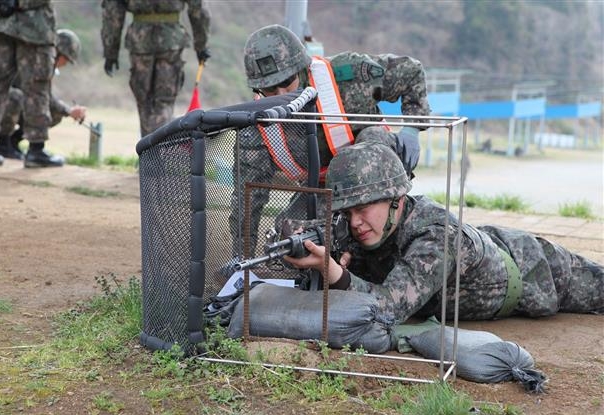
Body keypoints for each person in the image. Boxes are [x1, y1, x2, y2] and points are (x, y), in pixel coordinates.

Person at [284, 126, 604, 324]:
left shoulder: (435, 237)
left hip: (537, 270)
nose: (355, 222)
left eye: (364, 209)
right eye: (347, 211)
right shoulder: (366, 223)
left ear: (396, 199)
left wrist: (335, 272)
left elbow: (387, 310)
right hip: (489, 246)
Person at [229, 24, 431, 261]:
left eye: (287, 81)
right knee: (286, 237)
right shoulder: (258, 127)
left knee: (371, 139)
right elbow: (247, 200)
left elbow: (410, 72)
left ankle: (381, 244)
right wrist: (240, 259)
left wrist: (412, 127)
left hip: (376, 179)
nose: (281, 92)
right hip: (326, 191)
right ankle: (337, 266)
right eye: (269, 89)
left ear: (302, 69)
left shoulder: (348, 75)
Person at [0, 29, 86, 163]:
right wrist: (69, 111)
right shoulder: (35, 59)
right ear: (59, 53)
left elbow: (44, 98)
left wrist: (66, 111)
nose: (65, 64)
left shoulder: (45, 64)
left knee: (51, 113)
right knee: (16, 98)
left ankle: (13, 142)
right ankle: (2, 144)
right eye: (66, 59)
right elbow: (42, 96)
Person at [0, 0, 60, 168]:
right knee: (36, 87)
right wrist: (19, 3)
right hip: (35, 29)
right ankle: (36, 150)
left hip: (1, 26)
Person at [101, 0, 211, 137]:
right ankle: (160, 152)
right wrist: (201, 45)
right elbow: (199, 8)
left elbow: (113, 12)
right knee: (164, 102)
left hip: (140, 43)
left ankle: (149, 152)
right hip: (170, 42)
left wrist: (111, 51)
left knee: (144, 102)